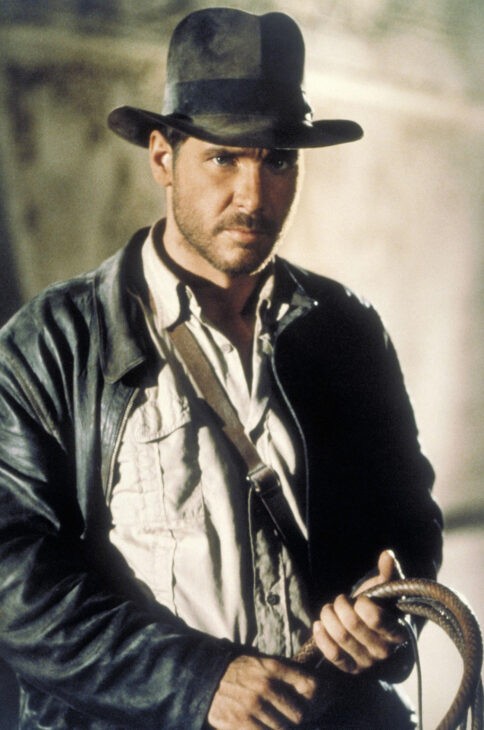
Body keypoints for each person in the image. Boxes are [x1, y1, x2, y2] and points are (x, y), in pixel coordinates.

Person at [0, 8, 443, 730]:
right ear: (162, 158)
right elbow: (13, 574)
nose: (254, 196)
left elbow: (408, 514)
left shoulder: (345, 329)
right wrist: (198, 683)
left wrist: (386, 611)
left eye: (279, 160)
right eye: (223, 159)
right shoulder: (52, 344)